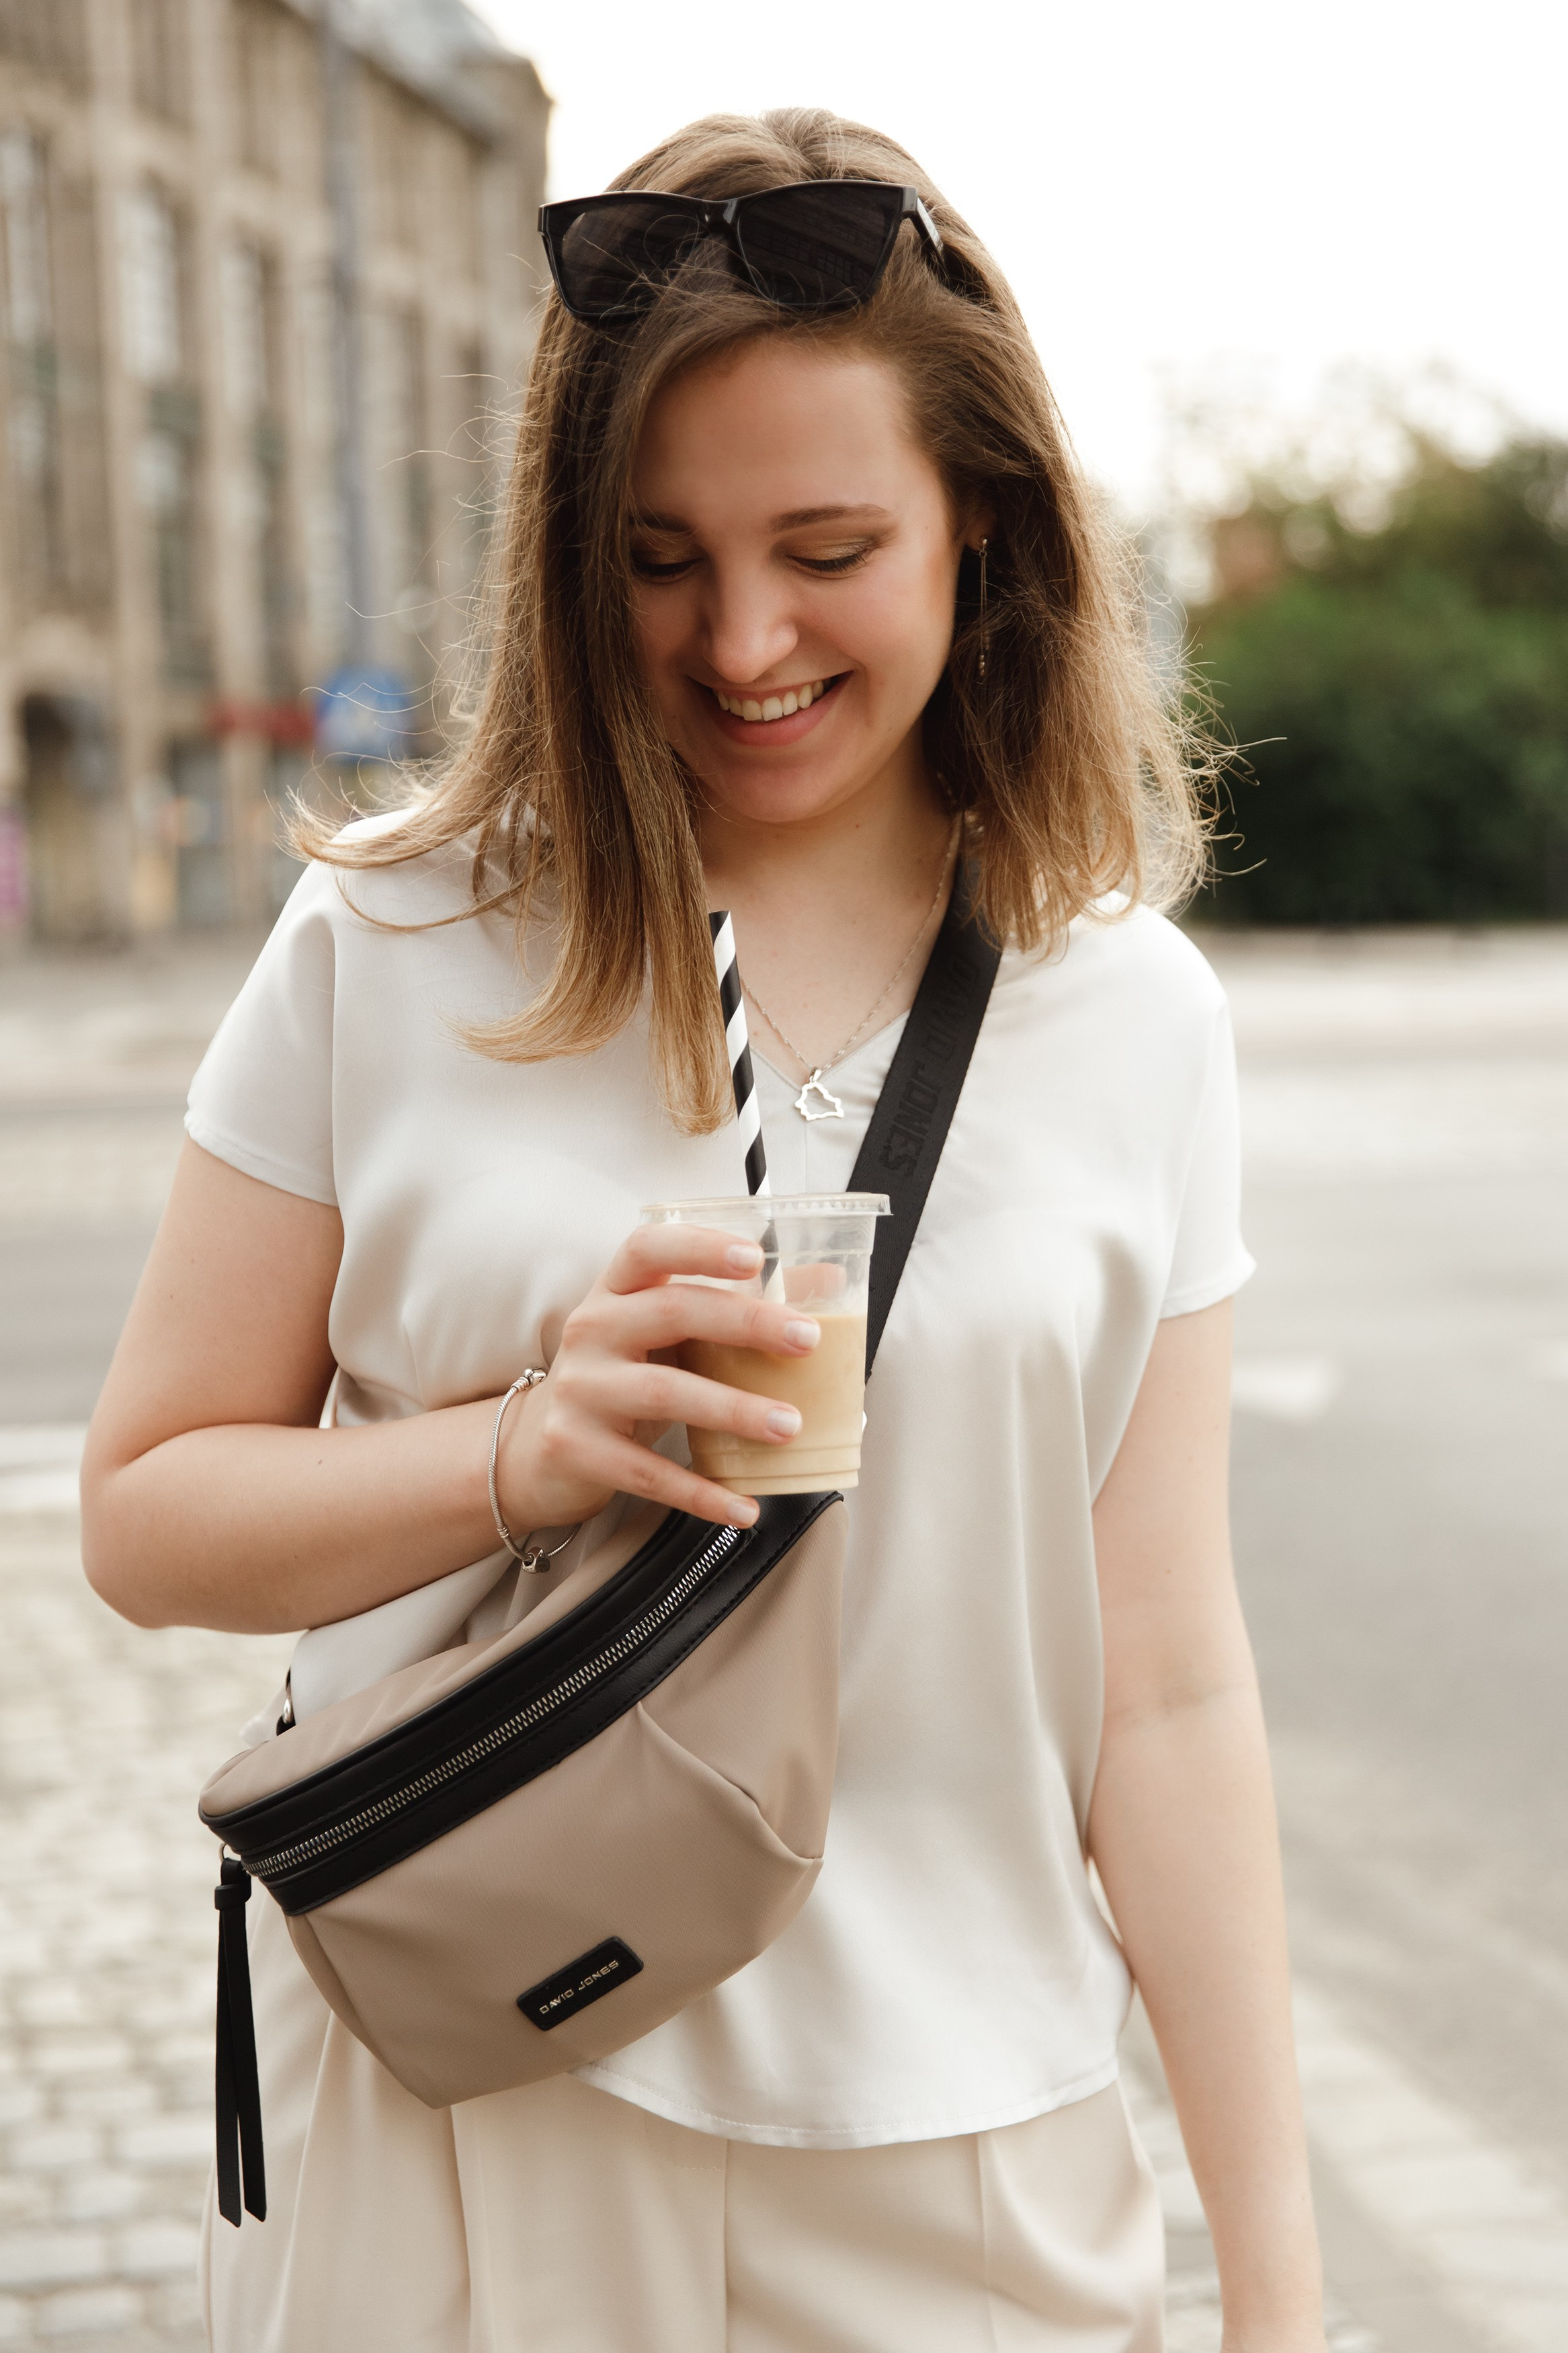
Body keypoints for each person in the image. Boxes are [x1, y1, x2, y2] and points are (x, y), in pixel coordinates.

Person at [82, 108, 1327, 2353]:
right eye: (661, 557)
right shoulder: (395, 935)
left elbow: (1169, 1685)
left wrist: (1283, 2283)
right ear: (575, 556)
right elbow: (151, 1516)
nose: (740, 640)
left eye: (827, 544)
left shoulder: (1129, 1012)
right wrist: (519, 1446)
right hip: (460, 2126)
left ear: (989, 530)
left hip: (966, 2170)